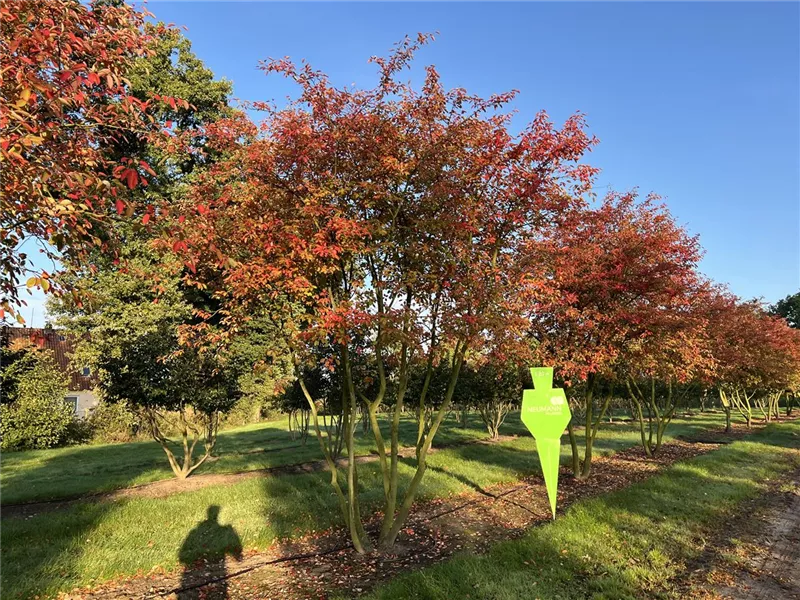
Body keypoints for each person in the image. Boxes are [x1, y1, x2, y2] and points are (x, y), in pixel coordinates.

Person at [177, 505, 243, 599]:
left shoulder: (195, 533)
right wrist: (237, 555)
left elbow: (182, 555)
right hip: (213, 569)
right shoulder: (223, 531)